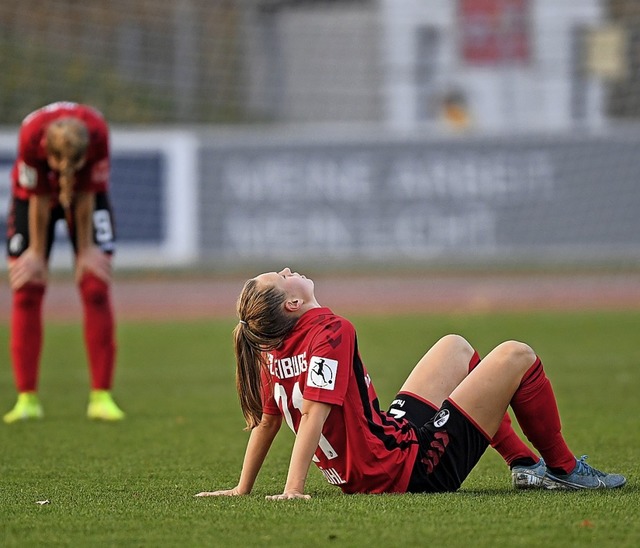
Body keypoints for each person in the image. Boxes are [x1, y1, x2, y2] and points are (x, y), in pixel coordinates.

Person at [196, 268, 626, 499]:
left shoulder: (274, 346)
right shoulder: (330, 330)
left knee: (455, 347)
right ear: (292, 303)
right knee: (517, 354)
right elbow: (311, 414)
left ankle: (522, 465)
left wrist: (242, 487)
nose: (289, 268)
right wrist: (292, 490)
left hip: (383, 450)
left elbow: (269, 422)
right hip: (409, 472)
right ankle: (564, 471)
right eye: (281, 275)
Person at [4, 101, 125, 423]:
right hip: (29, 199)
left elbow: (86, 195)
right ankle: (26, 399)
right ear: (49, 155)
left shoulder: (97, 134)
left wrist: (86, 250)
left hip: (88, 200)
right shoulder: (31, 135)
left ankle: (101, 396)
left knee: (94, 285)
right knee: (27, 286)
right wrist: (35, 253)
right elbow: (39, 199)